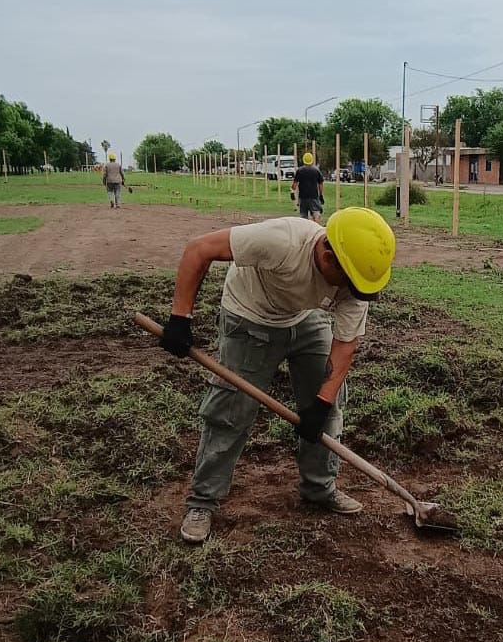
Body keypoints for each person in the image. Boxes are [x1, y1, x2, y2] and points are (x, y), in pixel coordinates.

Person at [159, 207, 396, 543]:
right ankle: (203, 502)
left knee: (327, 409)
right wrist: (180, 317)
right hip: (249, 315)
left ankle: (319, 488)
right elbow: (200, 248)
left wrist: (322, 402)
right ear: (328, 255)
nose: (352, 291)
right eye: (347, 280)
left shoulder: (356, 280)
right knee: (232, 410)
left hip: (303, 316)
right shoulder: (282, 239)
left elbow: (344, 346)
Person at [292, 152, 325, 223]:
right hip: (314, 196)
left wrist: (292, 191)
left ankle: (305, 232)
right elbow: (321, 184)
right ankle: (317, 229)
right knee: (316, 213)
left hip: (303, 197)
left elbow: (294, 185)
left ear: (303, 160)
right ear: (312, 160)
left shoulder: (299, 170)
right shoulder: (316, 170)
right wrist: (321, 195)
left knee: (303, 216)